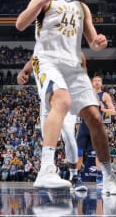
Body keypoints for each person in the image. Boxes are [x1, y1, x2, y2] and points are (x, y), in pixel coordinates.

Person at [15, 0, 116, 195]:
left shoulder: (81, 7)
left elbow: (93, 41)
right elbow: (20, 24)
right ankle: (46, 169)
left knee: (95, 117)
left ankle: (108, 179)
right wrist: (40, 2)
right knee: (63, 101)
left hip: (73, 64)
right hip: (47, 59)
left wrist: (99, 43)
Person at [18, 53, 87, 191]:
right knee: (48, 138)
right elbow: (29, 65)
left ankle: (74, 176)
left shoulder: (76, 52)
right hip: (46, 102)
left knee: (69, 136)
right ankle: (48, 172)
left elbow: (83, 72)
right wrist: (22, 73)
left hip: (65, 99)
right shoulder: (41, 50)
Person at [75, 74, 116, 188]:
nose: (97, 82)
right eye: (95, 80)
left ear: (101, 83)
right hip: (84, 127)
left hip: (96, 128)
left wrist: (103, 109)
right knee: (79, 153)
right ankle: (77, 177)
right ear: (92, 83)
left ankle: (99, 177)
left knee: (97, 154)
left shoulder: (105, 95)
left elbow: (114, 111)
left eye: (99, 80)